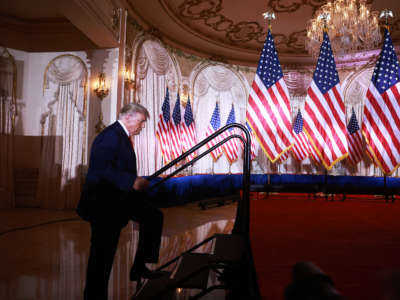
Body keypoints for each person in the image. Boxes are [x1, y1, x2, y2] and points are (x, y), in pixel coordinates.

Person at [77, 103, 164, 300]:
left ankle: (139, 266)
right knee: (102, 255)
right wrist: (131, 182)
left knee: (153, 216)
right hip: (103, 204)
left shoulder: (121, 136)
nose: (142, 126)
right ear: (130, 117)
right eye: (141, 122)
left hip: (117, 198)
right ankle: (94, 296)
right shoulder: (110, 136)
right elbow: (102, 170)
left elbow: (116, 169)